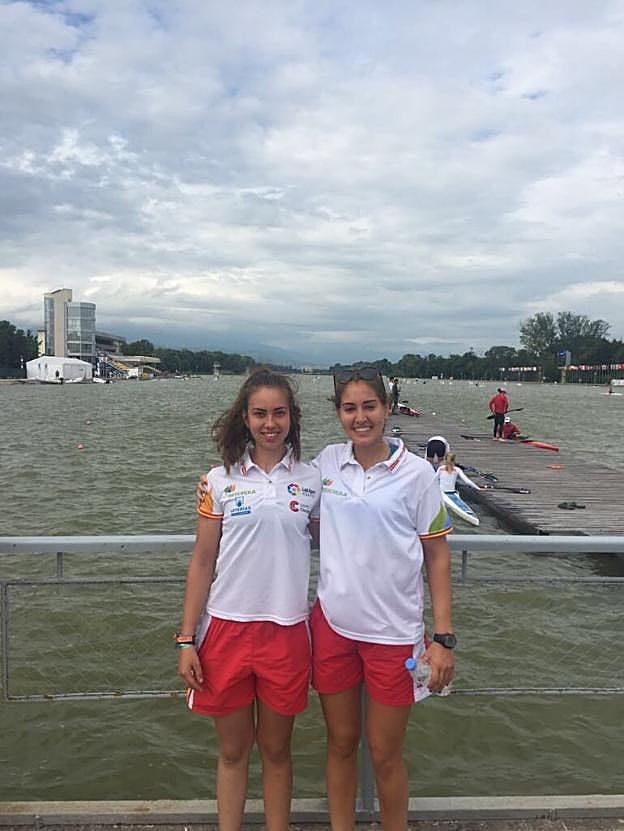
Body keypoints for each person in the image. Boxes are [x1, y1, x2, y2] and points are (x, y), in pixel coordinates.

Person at [311, 366, 455, 831]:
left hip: (394, 635)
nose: (360, 417)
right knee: (340, 744)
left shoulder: (417, 474)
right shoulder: (327, 462)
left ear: (387, 409)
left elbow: (437, 557)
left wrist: (443, 638)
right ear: (338, 413)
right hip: (333, 626)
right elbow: (282, 494)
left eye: (369, 406)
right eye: (349, 408)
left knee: (385, 753)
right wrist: (226, 477)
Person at [179, 368, 321, 831]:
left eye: (279, 413)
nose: (270, 423)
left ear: (292, 417)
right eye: (260, 413)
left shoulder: (313, 478)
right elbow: (203, 561)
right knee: (233, 751)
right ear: (245, 417)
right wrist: (186, 639)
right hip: (226, 629)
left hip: (287, 631)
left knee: (277, 751)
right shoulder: (218, 480)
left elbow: (342, 539)